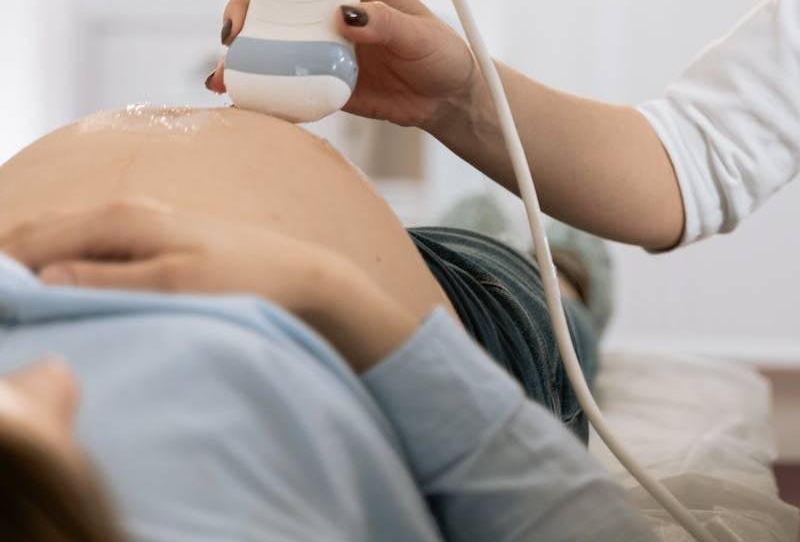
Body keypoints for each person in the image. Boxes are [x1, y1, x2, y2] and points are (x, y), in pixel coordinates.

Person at [0, 105, 655, 539]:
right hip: (413, 320)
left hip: (314, 253)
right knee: (544, 275)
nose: (49, 376)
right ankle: (563, 267)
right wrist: (324, 286)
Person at [208, 0, 800, 252]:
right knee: (482, 248)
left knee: (508, 272)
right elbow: (694, 162)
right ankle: (560, 263)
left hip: (440, 290)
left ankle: (566, 272)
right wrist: (456, 97)